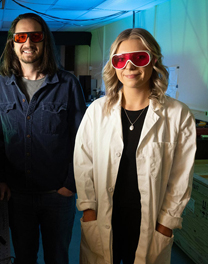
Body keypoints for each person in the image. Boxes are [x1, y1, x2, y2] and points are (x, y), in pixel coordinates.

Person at [74, 28, 196, 264]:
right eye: (120, 60)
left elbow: (181, 177)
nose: (128, 66)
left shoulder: (178, 115)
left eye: (139, 58)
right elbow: (83, 162)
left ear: (154, 61)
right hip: (103, 219)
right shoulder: (97, 111)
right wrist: (88, 210)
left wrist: (166, 224)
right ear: (114, 66)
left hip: (150, 225)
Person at [0, 12, 86, 264]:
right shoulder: (0, 85)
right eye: (21, 37)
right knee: (23, 257)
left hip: (57, 193)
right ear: (12, 43)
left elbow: (81, 140)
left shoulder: (68, 84)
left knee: (57, 257)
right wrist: (0, 180)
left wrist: (70, 184)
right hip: (17, 194)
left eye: (35, 36)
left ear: (45, 42)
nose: (28, 43)